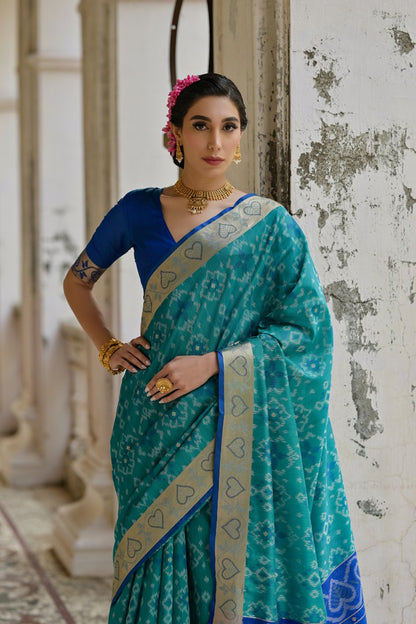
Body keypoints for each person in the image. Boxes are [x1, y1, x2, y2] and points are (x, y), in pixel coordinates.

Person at [64, 73, 367, 624]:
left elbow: (307, 332)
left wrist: (215, 365)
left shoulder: (270, 226)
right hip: (154, 415)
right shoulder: (137, 211)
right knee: (152, 558)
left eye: (228, 127)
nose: (215, 142)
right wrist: (109, 347)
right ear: (176, 134)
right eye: (200, 126)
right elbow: (77, 282)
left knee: (222, 560)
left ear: (241, 136)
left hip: (232, 415)